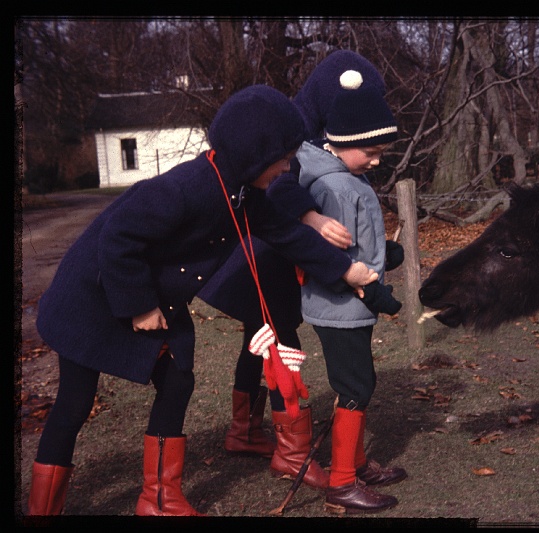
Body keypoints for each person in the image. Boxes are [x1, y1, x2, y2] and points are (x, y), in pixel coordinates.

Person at [26, 84, 378, 517]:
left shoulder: (244, 192)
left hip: (157, 296)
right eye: (283, 157)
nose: (288, 167)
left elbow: (288, 234)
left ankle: (158, 498)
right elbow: (118, 236)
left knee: (177, 379)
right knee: (75, 404)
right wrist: (137, 304)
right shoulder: (185, 188)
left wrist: (347, 270)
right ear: (253, 153)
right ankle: (43, 510)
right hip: (93, 295)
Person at [198, 50, 397, 492]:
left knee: (263, 334)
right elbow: (282, 182)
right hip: (267, 250)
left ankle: (245, 431)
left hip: (274, 248)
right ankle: (288, 452)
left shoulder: (325, 139)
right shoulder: (297, 136)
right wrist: (311, 217)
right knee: (275, 337)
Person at [293, 69, 407, 514]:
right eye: (371, 151)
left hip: (350, 306)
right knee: (355, 385)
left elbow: (356, 241)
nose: (376, 160)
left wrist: (386, 253)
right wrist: (375, 292)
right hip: (340, 306)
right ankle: (342, 481)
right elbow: (331, 259)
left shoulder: (346, 175)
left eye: (381, 152)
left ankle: (357, 462)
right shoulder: (336, 185)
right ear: (339, 141)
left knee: (361, 381)